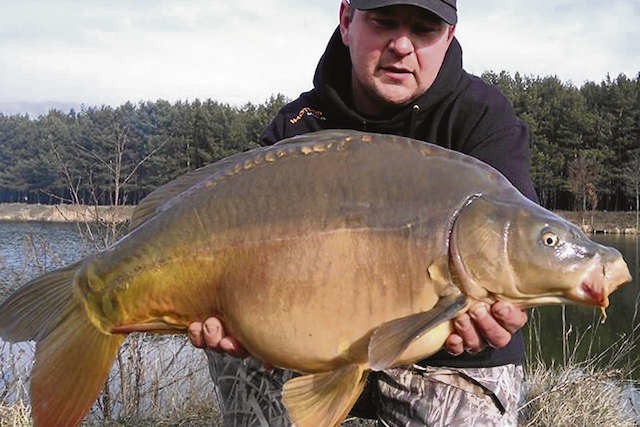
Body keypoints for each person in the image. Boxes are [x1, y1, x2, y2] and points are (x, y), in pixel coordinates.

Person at [189, 0, 535, 425]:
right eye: (384, 22)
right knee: (238, 343)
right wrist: (235, 315)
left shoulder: (483, 121)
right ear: (347, 20)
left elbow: (520, 254)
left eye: (424, 30)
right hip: (309, 340)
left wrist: (510, 308)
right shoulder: (299, 128)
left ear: (449, 36)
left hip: (442, 353)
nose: (402, 46)